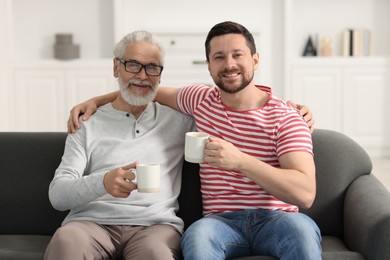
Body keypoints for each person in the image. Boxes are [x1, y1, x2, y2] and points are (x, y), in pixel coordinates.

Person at [67, 21, 321, 259]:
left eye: (237, 55)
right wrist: (95, 101)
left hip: (278, 218)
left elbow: (305, 193)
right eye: (219, 57)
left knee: (302, 232)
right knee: (197, 238)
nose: (229, 64)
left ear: (255, 59)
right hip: (219, 222)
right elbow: (142, 86)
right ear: (209, 66)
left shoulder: (286, 116)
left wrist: (242, 161)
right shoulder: (200, 100)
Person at [44, 30, 195, 260]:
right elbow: (58, 195)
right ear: (116, 68)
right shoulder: (86, 123)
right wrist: (103, 182)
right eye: (133, 64)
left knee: (156, 255)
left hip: (155, 228)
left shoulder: (180, 121)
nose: (143, 75)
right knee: (66, 241)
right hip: (91, 225)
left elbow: (221, 113)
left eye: (152, 67)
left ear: (160, 75)